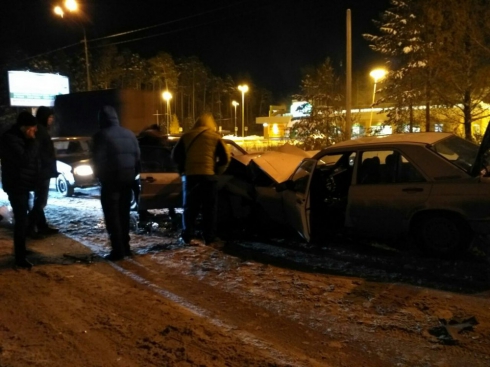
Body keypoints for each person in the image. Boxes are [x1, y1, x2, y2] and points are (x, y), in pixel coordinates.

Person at [171, 113, 230, 248]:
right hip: (208, 177)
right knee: (209, 209)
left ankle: (187, 236)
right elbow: (225, 158)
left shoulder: (186, 136)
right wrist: (216, 171)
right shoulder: (215, 137)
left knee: (190, 208)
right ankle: (209, 237)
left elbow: (175, 156)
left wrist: (182, 170)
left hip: (191, 177)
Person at [92, 105, 141, 261]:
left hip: (111, 181)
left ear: (101, 120)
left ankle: (117, 250)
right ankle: (126, 247)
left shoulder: (101, 135)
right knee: (124, 214)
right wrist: (133, 175)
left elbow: (97, 160)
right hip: (127, 180)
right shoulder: (130, 134)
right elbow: (138, 158)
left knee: (112, 216)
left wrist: (99, 176)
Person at [0, 111, 40, 268]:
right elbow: (24, 160)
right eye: (33, 128)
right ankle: (20, 257)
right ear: (25, 128)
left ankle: (22, 250)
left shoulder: (19, 138)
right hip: (16, 186)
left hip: (23, 184)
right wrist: (32, 142)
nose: (35, 131)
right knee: (21, 221)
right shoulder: (10, 139)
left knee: (24, 219)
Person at [27, 106, 59, 238]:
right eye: (50, 117)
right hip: (42, 171)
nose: (51, 120)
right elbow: (40, 153)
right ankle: (29, 227)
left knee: (39, 200)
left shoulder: (41, 130)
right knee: (41, 201)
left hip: (42, 170)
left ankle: (41, 226)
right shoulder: (40, 131)